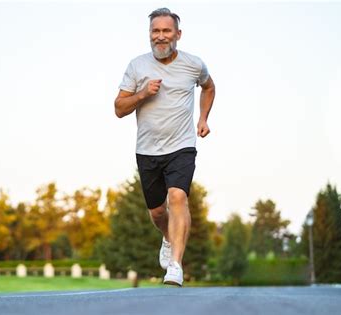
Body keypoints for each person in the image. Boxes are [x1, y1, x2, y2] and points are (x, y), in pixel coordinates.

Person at [114, 8, 215, 286]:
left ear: (177, 35)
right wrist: (143, 94)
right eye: (155, 31)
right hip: (148, 150)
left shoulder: (193, 65)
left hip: (182, 146)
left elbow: (209, 88)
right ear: (150, 35)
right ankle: (168, 237)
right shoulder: (137, 66)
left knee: (178, 197)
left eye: (166, 31)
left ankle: (175, 266)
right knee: (158, 213)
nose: (160, 37)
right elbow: (119, 109)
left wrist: (203, 118)